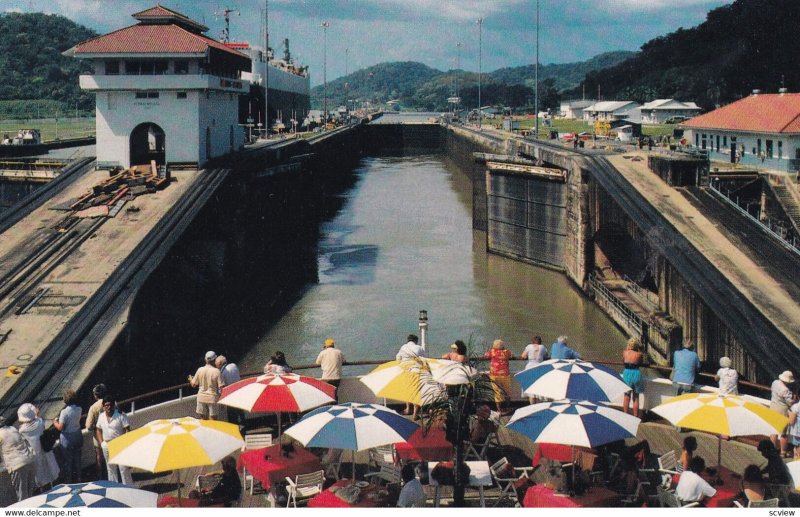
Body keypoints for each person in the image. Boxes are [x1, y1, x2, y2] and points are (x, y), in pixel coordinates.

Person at [16, 403, 59, 490]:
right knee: (50, 472)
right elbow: (38, 420)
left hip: (35, 455)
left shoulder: (22, 431)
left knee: (41, 478)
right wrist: (36, 414)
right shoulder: (39, 422)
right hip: (45, 451)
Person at [95, 396, 133, 485]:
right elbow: (98, 429)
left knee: (123, 468)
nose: (108, 407)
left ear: (113, 405)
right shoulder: (101, 417)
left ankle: (129, 488)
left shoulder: (121, 415)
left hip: (120, 444)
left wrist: (125, 443)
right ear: (103, 406)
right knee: (110, 468)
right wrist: (101, 443)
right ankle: (114, 488)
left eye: (110, 405)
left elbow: (127, 429)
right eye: (106, 405)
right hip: (106, 445)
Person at [0, 418, 36, 502]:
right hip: (28, 460)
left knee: (22, 497)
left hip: (17, 465)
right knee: (30, 494)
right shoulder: (13, 429)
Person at [53, 389, 83, 483]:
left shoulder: (64, 412)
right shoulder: (79, 409)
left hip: (67, 438)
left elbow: (61, 427)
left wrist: (55, 422)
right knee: (77, 459)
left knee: (68, 462)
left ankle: (69, 481)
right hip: (78, 436)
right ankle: (79, 478)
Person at [396, 334, 425, 416]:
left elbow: (398, 358)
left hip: (406, 371)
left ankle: (408, 409)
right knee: (416, 391)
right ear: (416, 341)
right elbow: (424, 360)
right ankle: (415, 413)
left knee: (408, 391)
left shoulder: (403, 347)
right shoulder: (419, 348)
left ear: (408, 340)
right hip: (416, 371)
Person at [190, 351, 223, 421]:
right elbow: (221, 387)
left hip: (201, 397)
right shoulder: (217, 371)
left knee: (203, 420)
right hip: (213, 398)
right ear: (215, 360)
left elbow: (193, 384)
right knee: (213, 421)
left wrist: (190, 379)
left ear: (205, 360)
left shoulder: (200, 370)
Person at [85, 383, 107, 479]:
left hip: (99, 435)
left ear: (96, 395)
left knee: (99, 456)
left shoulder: (93, 407)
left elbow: (88, 426)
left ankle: (101, 476)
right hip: (110, 431)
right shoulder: (111, 402)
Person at [770, 370, 794, 456]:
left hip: (773, 407)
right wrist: (794, 399)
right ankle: (783, 452)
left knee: (773, 431)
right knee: (783, 433)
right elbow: (790, 402)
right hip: (782, 410)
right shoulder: (785, 390)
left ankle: (772, 449)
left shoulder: (774, 382)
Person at [484, 339, 513, 413]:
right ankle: (507, 407)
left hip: (494, 375)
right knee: (507, 391)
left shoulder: (492, 352)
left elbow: (486, 355)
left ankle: (499, 410)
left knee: (497, 392)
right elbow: (512, 355)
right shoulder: (506, 352)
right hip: (505, 375)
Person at [216, 355, 242, 427]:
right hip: (239, 391)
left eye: (217, 365)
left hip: (230, 395)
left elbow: (222, 387)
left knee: (232, 415)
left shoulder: (222, 373)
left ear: (220, 364)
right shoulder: (234, 365)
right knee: (240, 411)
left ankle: (236, 430)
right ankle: (243, 427)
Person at [622, 337, 644, 417]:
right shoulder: (639, 354)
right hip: (636, 373)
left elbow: (623, 360)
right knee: (636, 397)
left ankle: (625, 415)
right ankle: (635, 416)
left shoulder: (625, 353)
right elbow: (641, 362)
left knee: (626, 396)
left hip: (627, 373)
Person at [787, 392, 800, 459]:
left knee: (797, 446)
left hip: (797, 431)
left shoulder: (796, 406)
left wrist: (788, 411)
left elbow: (791, 421)